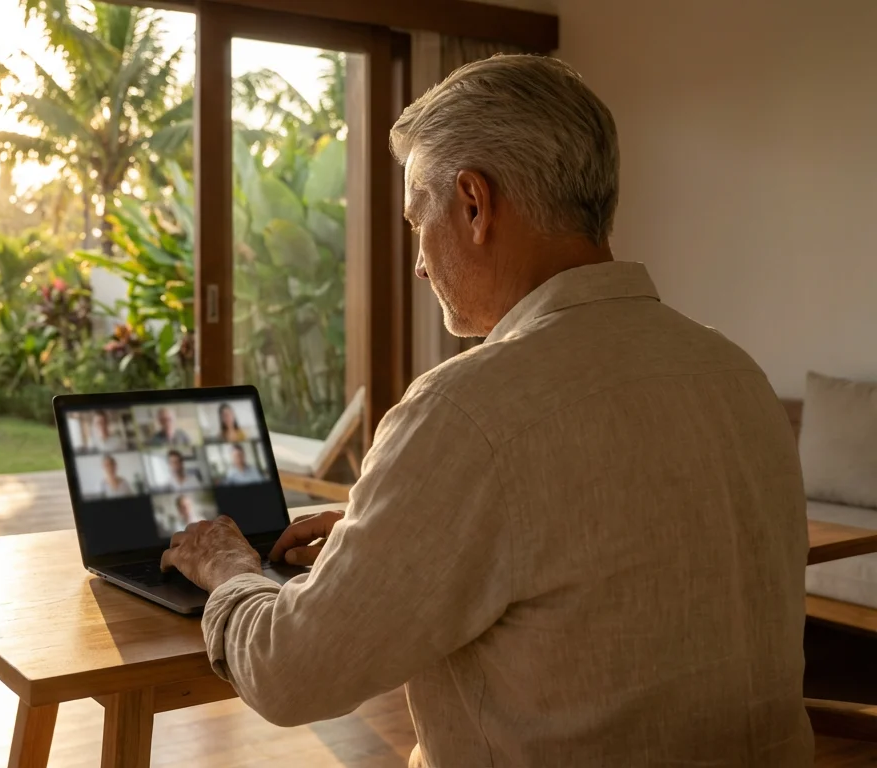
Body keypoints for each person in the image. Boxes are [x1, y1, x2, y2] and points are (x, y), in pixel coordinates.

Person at [159, 55, 811, 767]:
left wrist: (228, 567)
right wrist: (402, 535)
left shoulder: (467, 410)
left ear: (473, 203)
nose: (416, 262)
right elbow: (620, 547)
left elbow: (289, 675)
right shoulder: (735, 373)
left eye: (416, 220)